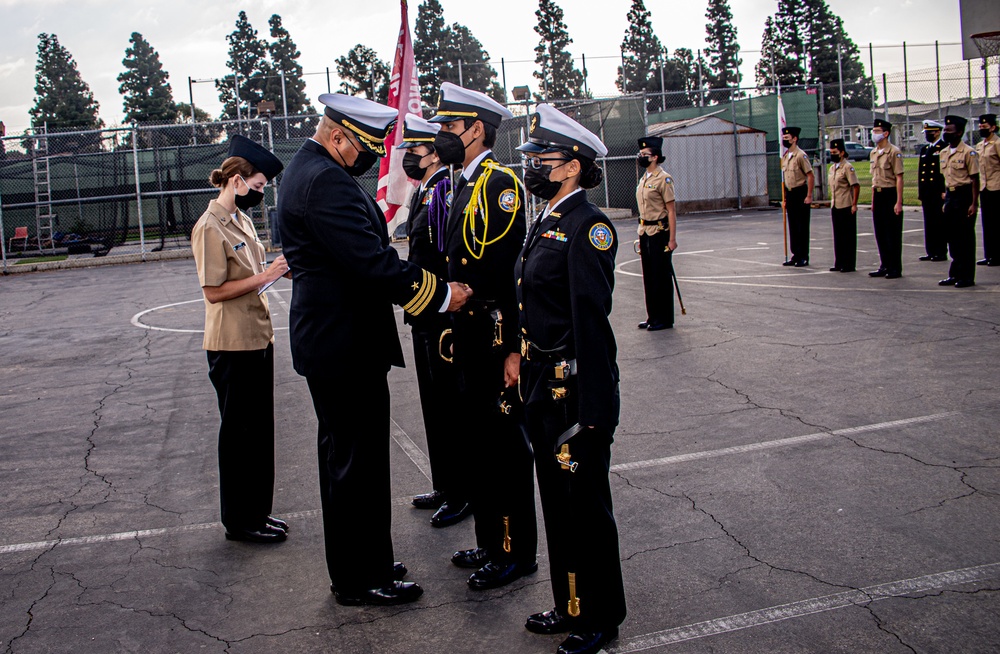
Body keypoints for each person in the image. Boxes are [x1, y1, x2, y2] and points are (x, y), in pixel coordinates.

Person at [277, 93, 472, 606]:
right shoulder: (323, 182)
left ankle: (362, 560)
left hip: (335, 339)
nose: (370, 158)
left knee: (347, 460)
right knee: (356, 465)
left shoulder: (311, 169)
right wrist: (444, 295)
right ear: (337, 135)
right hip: (344, 343)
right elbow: (374, 263)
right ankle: (361, 578)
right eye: (364, 147)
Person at [515, 103, 626, 654]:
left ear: (573, 166)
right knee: (557, 504)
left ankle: (600, 614)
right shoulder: (550, 216)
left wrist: (594, 409)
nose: (533, 165)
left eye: (543, 157)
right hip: (540, 381)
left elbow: (589, 321)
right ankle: (570, 603)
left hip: (573, 388)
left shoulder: (589, 226)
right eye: (531, 156)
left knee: (585, 508)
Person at [429, 82, 538, 590]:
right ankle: (491, 540)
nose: (442, 135)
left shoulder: (499, 185)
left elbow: (507, 273)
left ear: (477, 129)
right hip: (470, 334)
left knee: (504, 448)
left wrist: (515, 345)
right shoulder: (462, 182)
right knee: (479, 443)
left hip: (494, 334)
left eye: (450, 126)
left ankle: (515, 551)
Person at [190, 135, 290, 544]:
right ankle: (239, 520)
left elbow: (250, 279)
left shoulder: (243, 222)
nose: (261, 194)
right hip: (230, 344)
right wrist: (266, 276)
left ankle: (258, 513)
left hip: (255, 338)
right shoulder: (209, 227)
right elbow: (213, 291)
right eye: (259, 186)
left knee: (259, 431)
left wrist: (275, 272)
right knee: (238, 435)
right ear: (236, 179)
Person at [397, 114, 471, 528]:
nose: (409, 157)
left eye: (415, 150)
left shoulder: (444, 190)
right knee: (434, 406)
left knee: (450, 408)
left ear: (433, 154)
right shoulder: (425, 190)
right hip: (423, 312)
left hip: (441, 315)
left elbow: (446, 258)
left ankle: (462, 492)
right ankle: (445, 484)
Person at [635, 135, 677, 331]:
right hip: (645, 231)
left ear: (655, 157)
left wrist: (672, 239)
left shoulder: (664, 179)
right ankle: (652, 316)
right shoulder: (644, 178)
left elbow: (671, 210)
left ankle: (665, 318)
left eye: (645, 154)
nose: (641, 157)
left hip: (659, 232)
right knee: (649, 276)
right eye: (640, 154)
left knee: (661, 277)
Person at [938, 115, 980, 288]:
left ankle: (967, 276)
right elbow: (945, 177)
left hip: (964, 196)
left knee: (965, 238)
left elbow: (975, 179)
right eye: (945, 130)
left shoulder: (969, 152)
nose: (946, 133)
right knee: (952, 238)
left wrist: (974, 203)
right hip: (951, 196)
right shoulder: (944, 152)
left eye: (949, 130)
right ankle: (954, 273)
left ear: (959, 132)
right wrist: (946, 198)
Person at [868, 119, 905, 279]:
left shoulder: (894, 152)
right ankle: (884, 264)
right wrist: (872, 200)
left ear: (886, 133)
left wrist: (899, 201)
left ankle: (895, 267)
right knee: (880, 233)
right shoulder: (874, 152)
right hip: (878, 194)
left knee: (893, 234)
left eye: (877, 130)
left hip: (890, 194)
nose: (874, 133)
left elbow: (899, 177)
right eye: (873, 130)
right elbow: (874, 179)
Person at [780, 126, 815, 267]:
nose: (785, 141)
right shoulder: (785, 156)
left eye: (787, 138)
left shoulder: (801, 155)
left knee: (802, 226)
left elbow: (810, 175)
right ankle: (795, 254)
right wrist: (785, 198)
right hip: (790, 193)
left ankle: (803, 256)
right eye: (784, 138)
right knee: (793, 226)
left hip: (801, 192)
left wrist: (809, 195)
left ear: (795, 139)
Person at [827, 139, 860, 272]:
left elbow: (855, 186)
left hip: (846, 204)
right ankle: (839, 262)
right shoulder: (832, 168)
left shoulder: (847, 167)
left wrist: (854, 204)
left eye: (835, 152)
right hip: (835, 204)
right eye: (831, 152)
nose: (832, 154)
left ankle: (849, 263)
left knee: (848, 236)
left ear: (841, 152)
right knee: (838, 235)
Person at [917, 120, 948, 262]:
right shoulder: (925, 150)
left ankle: (940, 251)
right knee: (928, 222)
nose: (927, 135)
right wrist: (921, 192)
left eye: (930, 132)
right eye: (926, 132)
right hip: (927, 192)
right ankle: (930, 251)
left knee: (939, 223)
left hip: (938, 191)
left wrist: (944, 190)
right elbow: (921, 173)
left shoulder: (943, 148)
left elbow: (944, 172)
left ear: (937, 132)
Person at [976, 113, 999, 266]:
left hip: (997, 187)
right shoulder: (980, 145)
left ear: (993, 127)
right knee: (987, 223)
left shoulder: (997, 144)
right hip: (985, 187)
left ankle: (997, 255)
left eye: (985, 127)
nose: (981, 129)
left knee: (997, 223)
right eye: (980, 127)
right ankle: (989, 254)